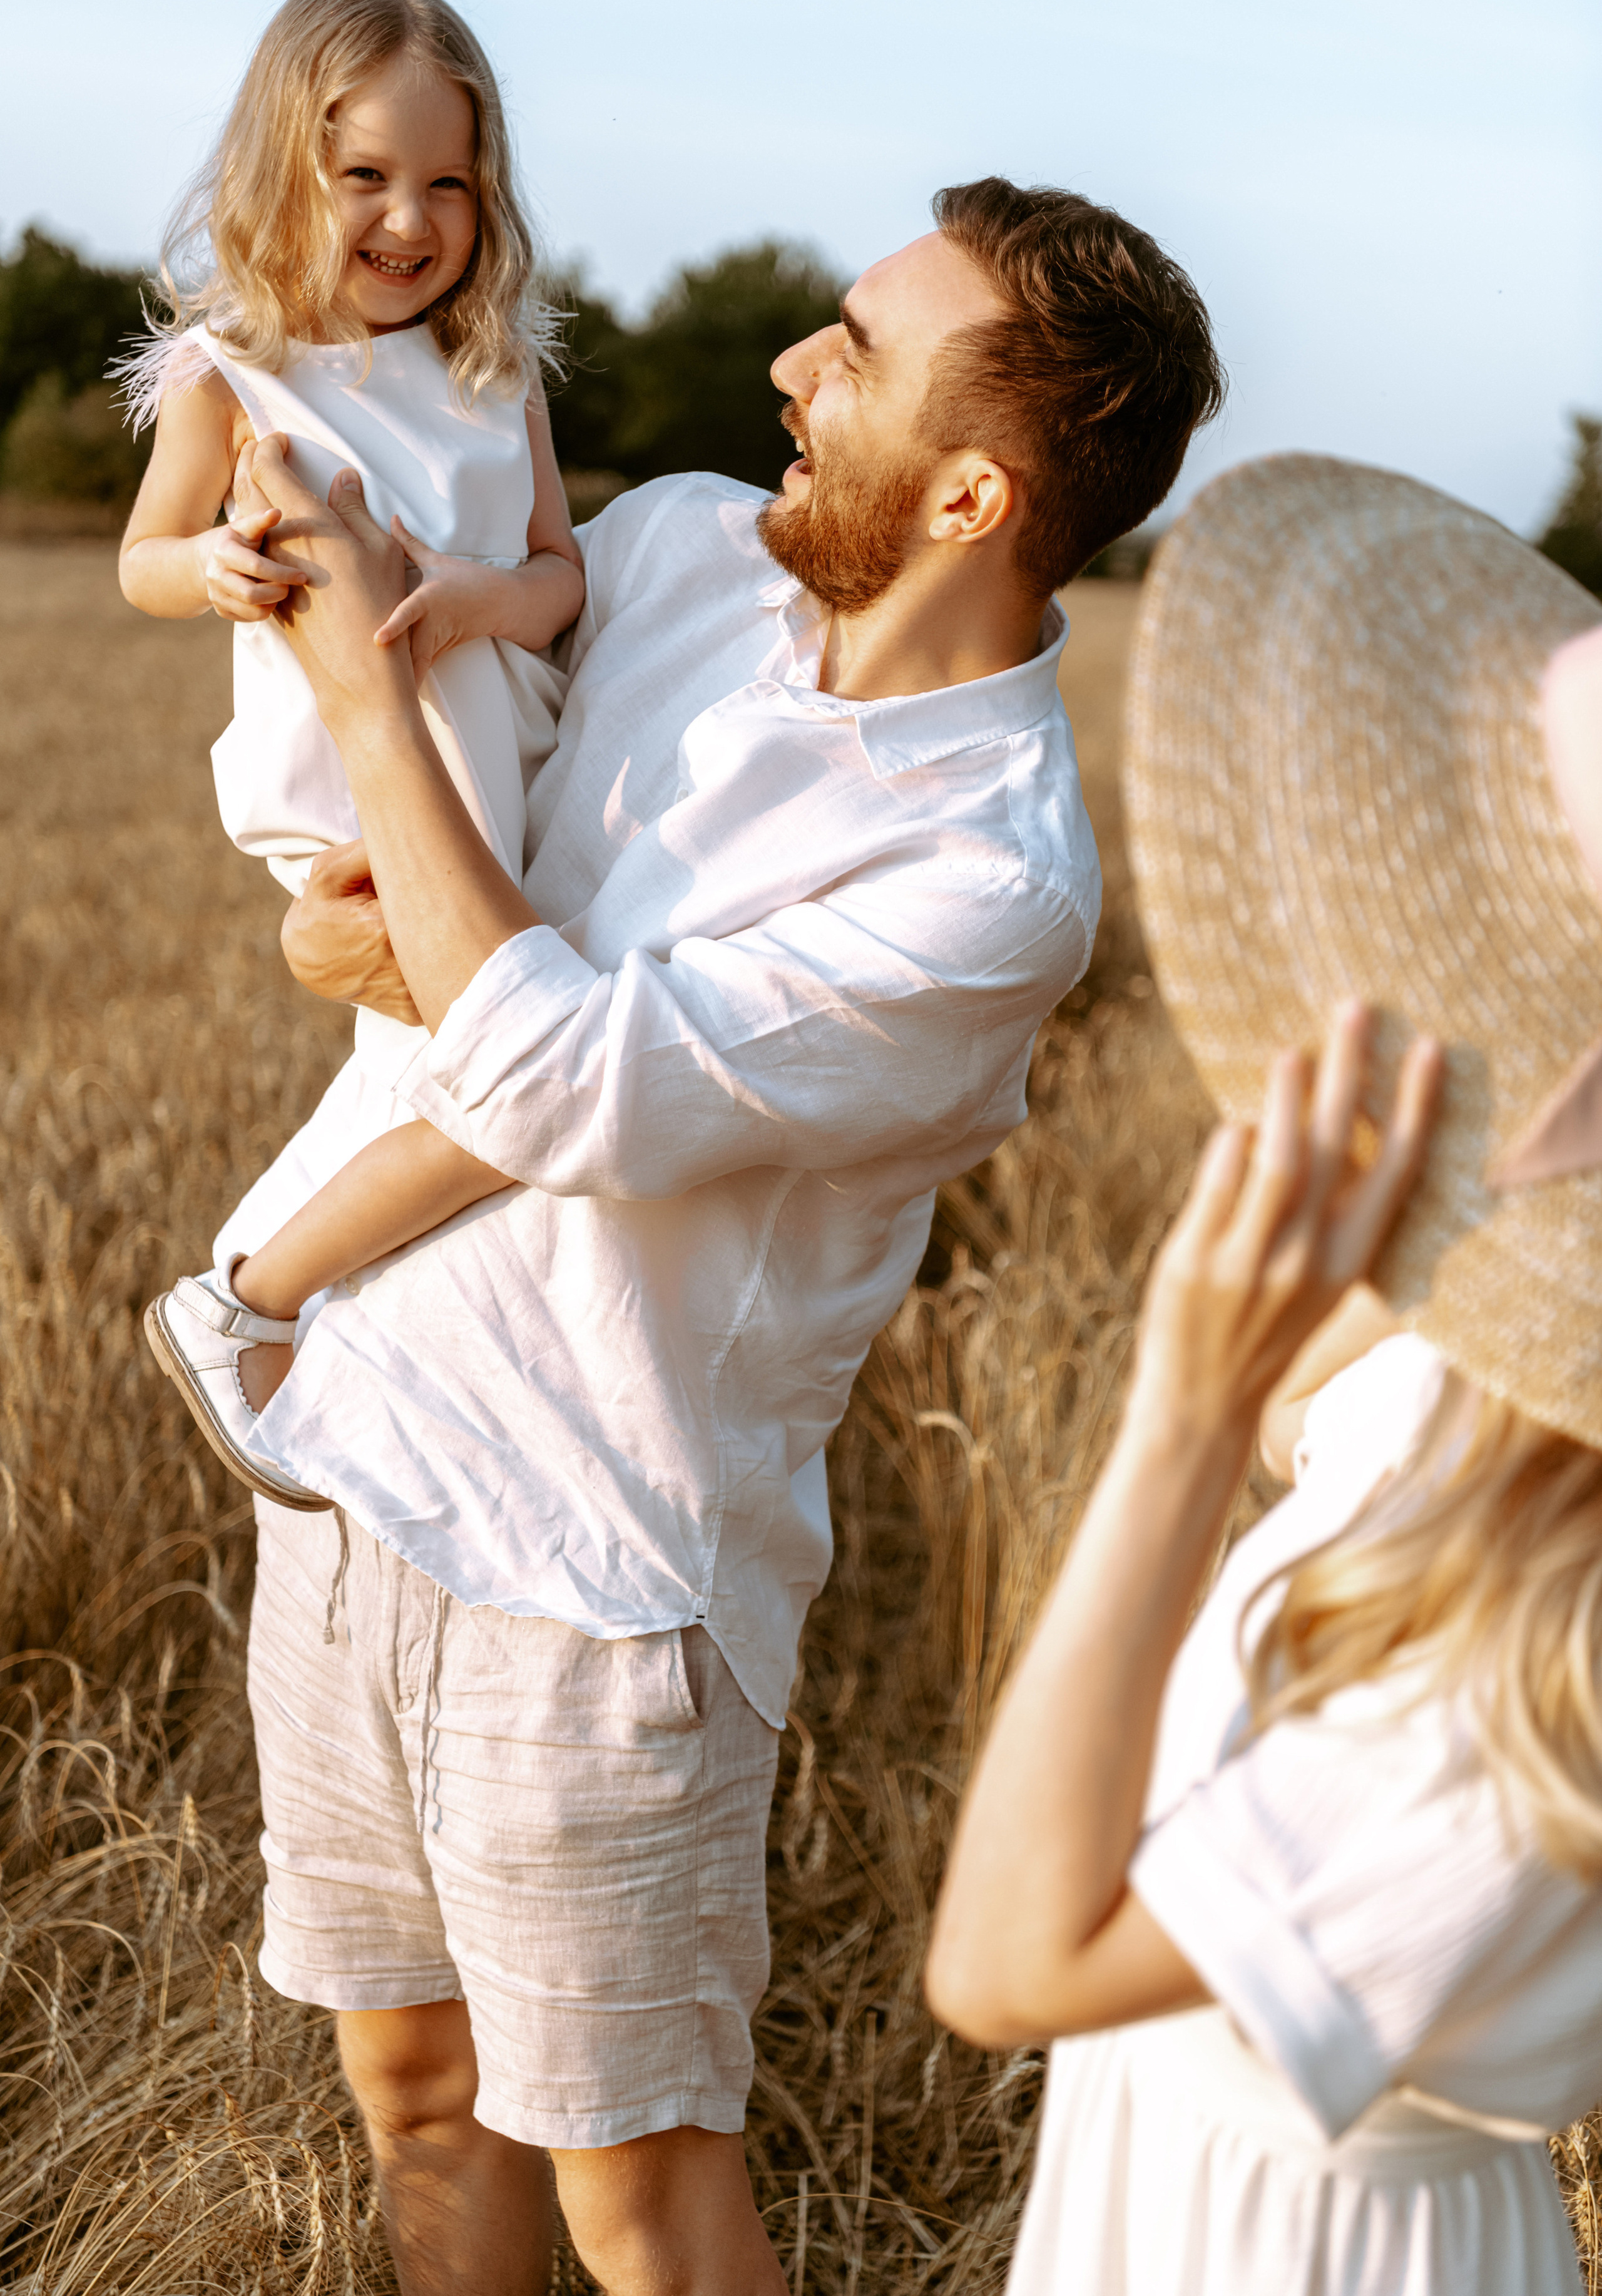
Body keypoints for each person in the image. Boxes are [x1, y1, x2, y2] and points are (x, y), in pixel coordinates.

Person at [176, 181, 1224, 2295]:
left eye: (855, 350)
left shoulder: (990, 883)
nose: (789, 369)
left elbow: (563, 1081)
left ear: (970, 494)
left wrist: (363, 688)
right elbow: (435, 871)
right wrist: (338, 922)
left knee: (640, 2200)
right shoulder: (668, 551)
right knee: (411, 2092)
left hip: (600, 1580)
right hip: (354, 1453)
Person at [926, 454, 1602, 2296]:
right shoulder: (1494, 1406)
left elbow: (1003, 1967)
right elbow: (1344, 1413)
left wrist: (1182, 1415)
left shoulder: (1532, 1677)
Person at [115, 0, 584, 1502]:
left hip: (514, 780)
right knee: (509, 1082)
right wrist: (212, 566)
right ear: (282, 171)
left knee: (502, 1085)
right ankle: (261, 1306)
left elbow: (560, 577)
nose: (409, 218)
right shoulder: (234, 374)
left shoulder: (496, 372)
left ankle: (299, 1319)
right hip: (357, 799)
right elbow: (142, 560)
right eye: (367, 175)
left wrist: (476, 597)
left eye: (450, 183)